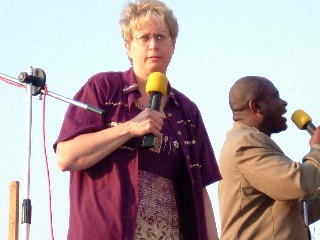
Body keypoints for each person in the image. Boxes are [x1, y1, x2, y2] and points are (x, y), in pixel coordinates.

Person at [53, 0, 221, 239]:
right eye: (143, 38)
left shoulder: (187, 111)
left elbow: (200, 191)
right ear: (128, 47)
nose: (154, 46)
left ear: (174, 45)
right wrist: (130, 128)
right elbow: (66, 157)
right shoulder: (103, 88)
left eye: (162, 37)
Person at [218, 76, 320, 240]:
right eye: (276, 96)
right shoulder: (245, 142)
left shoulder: (254, 142)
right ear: (256, 106)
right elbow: (299, 183)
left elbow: (298, 211)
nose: (284, 103)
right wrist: (318, 150)